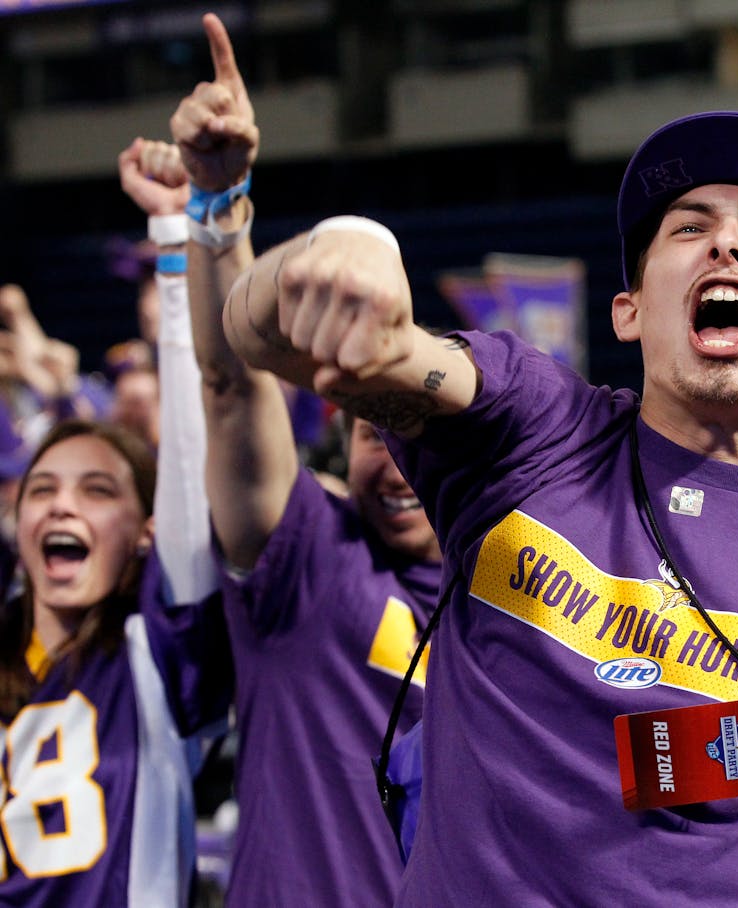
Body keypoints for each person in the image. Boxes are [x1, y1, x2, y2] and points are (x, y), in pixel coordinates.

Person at [218, 92, 738, 902]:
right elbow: (268, 336)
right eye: (688, 227)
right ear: (630, 311)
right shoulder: (536, 435)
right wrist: (339, 258)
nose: (726, 242)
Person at [170, 16, 442, 906]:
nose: (398, 460)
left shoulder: (543, 602)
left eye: (425, 438)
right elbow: (229, 386)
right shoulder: (311, 562)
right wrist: (216, 209)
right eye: (375, 431)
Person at [0, 136, 230, 906]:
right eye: (44, 490)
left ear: (145, 531)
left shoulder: (155, 655)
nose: (63, 503)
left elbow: (189, 467)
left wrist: (174, 239)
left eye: (98, 490)